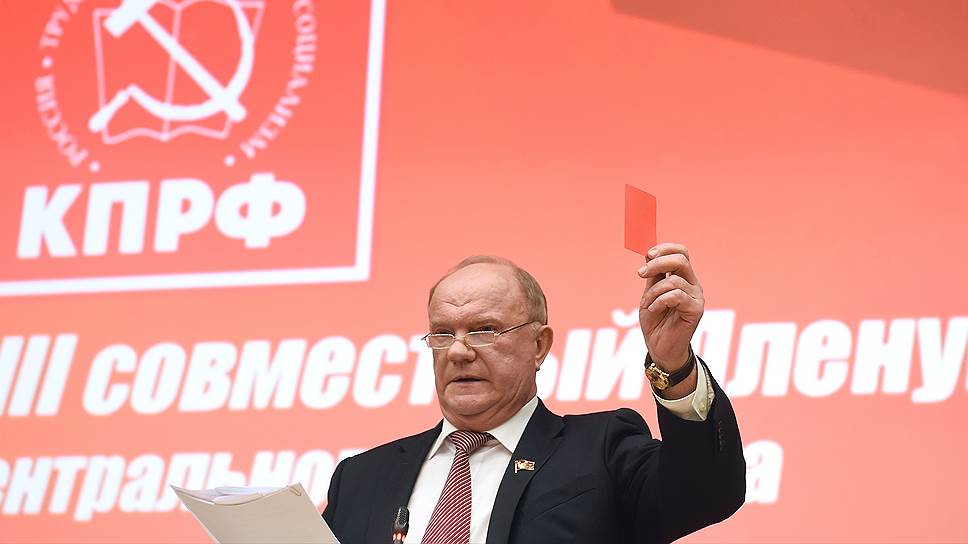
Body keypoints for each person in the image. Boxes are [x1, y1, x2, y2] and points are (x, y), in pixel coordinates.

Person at [323, 243, 745, 544]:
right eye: (443, 333)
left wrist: (673, 364)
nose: (458, 351)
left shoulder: (601, 451)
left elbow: (705, 493)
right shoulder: (360, 479)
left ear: (539, 345)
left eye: (484, 330)